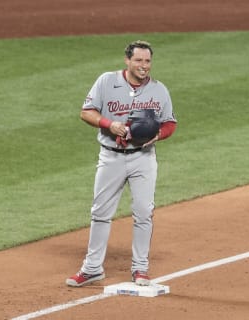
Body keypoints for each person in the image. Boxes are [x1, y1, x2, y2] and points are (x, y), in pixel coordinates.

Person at [66, 40, 177, 287]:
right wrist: (109, 124)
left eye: (147, 61)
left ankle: (140, 269)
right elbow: (86, 112)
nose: (144, 66)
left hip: (143, 158)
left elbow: (170, 123)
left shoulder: (159, 90)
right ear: (127, 61)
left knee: (143, 213)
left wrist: (157, 135)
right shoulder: (106, 81)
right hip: (111, 156)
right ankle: (92, 268)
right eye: (138, 60)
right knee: (101, 212)